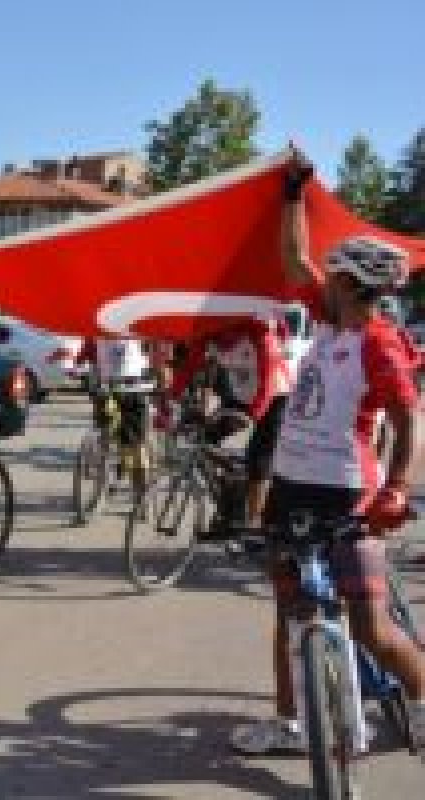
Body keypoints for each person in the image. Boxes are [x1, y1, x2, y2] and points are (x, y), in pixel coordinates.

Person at [231, 159, 425, 757]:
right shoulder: (327, 320)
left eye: (333, 273)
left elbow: (408, 421)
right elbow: (295, 259)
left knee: (370, 628)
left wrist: (396, 489)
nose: (324, 278)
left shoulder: (380, 344)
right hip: (291, 485)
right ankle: (289, 722)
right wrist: (293, 193)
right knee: (290, 611)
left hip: (348, 493)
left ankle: (421, 699)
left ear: (350, 283)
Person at [167, 315, 294, 529]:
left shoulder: (258, 332)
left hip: (274, 398)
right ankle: (230, 502)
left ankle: (253, 525)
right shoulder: (209, 334)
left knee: (258, 462)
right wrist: (170, 397)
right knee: (205, 441)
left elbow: (269, 380)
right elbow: (189, 367)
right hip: (241, 398)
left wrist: (253, 416)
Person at [76, 335, 156, 500]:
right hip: (112, 391)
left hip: (132, 391)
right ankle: (109, 468)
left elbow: (153, 350)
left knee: (134, 445)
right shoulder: (98, 333)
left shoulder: (130, 331)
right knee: (111, 431)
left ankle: (141, 490)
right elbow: (83, 356)